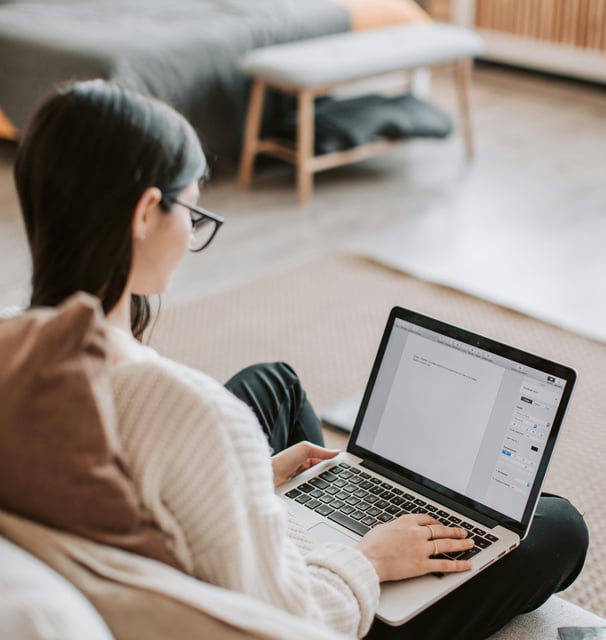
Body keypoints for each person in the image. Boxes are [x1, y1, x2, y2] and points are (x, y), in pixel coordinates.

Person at [13, 79, 588, 640]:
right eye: (192, 211)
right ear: (144, 214)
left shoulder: (17, 345)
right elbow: (290, 620)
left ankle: (324, 507)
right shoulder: (190, 412)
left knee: (275, 384)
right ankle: (348, 545)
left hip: (176, 528)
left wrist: (248, 486)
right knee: (556, 526)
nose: (194, 228)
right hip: (309, 606)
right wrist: (368, 558)